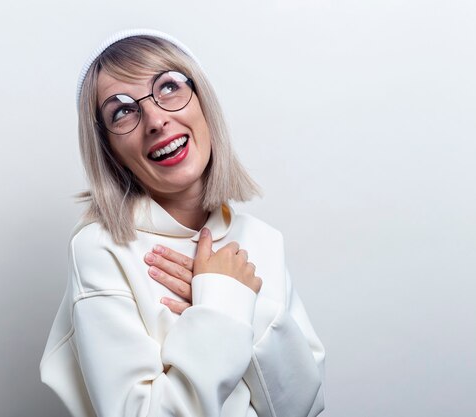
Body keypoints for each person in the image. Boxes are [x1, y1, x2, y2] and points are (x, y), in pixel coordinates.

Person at [40, 28, 325, 417]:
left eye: (169, 87)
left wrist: (234, 297)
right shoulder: (99, 249)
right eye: (122, 110)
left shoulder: (263, 241)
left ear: (203, 102)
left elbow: (302, 407)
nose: (155, 119)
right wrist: (223, 305)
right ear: (109, 151)